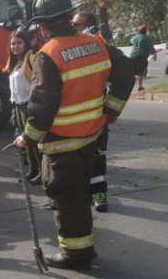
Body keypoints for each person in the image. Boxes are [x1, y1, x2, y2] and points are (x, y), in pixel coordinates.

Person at [13, 0, 134, 270]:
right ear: (69, 16)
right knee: (79, 196)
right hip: (91, 137)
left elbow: (42, 109)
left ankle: (76, 256)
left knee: (68, 200)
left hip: (61, 145)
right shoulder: (97, 43)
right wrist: (110, 111)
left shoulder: (48, 55)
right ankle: (82, 246)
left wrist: (25, 138)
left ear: (42, 26)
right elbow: (126, 72)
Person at [72, 11, 112, 212]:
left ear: (89, 28)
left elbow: (123, 78)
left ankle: (98, 195)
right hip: (73, 120)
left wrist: (112, 110)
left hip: (96, 117)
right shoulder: (66, 46)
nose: (73, 28)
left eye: (77, 25)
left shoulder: (99, 45)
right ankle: (81, 197)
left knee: (97, 157)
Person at [2, 31, 41, 184]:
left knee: (34, 140)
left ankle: (42, 173)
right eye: (13, 43)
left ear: (26, 43)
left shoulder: (32, 58)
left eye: (19, 43)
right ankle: (33, 170)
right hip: (18, 106)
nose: (15, 46)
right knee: (26, 141)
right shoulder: (15, 62)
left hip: (29, 105)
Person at [130, 25, 156, 91]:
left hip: (132, 56)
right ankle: (140, 86)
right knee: (140, 72)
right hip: (141, 57)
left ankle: (127, 86)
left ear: (139, 31)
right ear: (145, 31)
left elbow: (131, 41)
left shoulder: (135, 37)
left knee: (131, 72)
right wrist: (154, 55)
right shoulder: (146, 38)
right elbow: (151, 49)